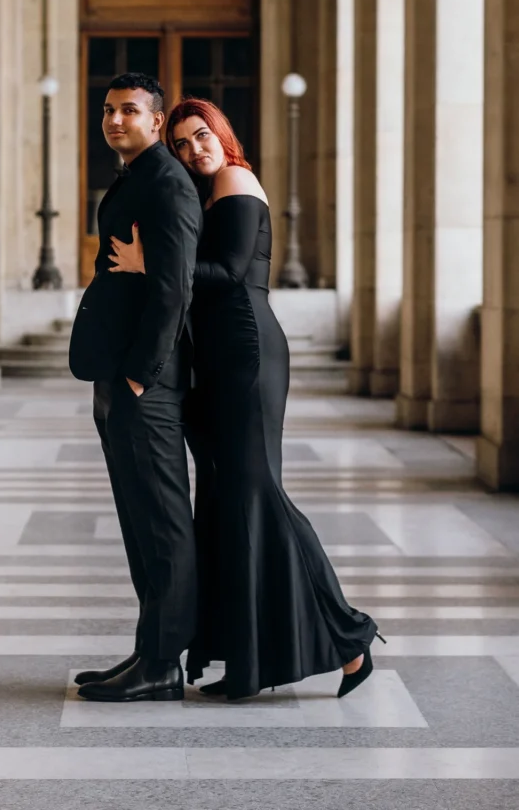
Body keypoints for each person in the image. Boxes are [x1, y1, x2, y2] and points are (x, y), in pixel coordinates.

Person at [109, 97, 384, 701]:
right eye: (181, 144)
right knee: (229, 504)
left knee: (258, 494)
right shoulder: (204, 195)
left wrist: (147, 262)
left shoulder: (235, 178)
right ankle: (249, 657)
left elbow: (229, 272)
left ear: (222, 134)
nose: (193, 150)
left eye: (201, 136)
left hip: (247, 352)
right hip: (216, 358)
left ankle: (350, 638)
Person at [68, 74, 202, 703]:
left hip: (145, 382)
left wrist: (139, 378)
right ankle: (150, 650)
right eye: (108, 109)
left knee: (163, 523)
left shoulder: (166, 182)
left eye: (129, 111)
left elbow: (174, 288)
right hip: (117, 372)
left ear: (155, 120)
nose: (115, 119)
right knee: (138, 520)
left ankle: (163, 663)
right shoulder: (132, 176)